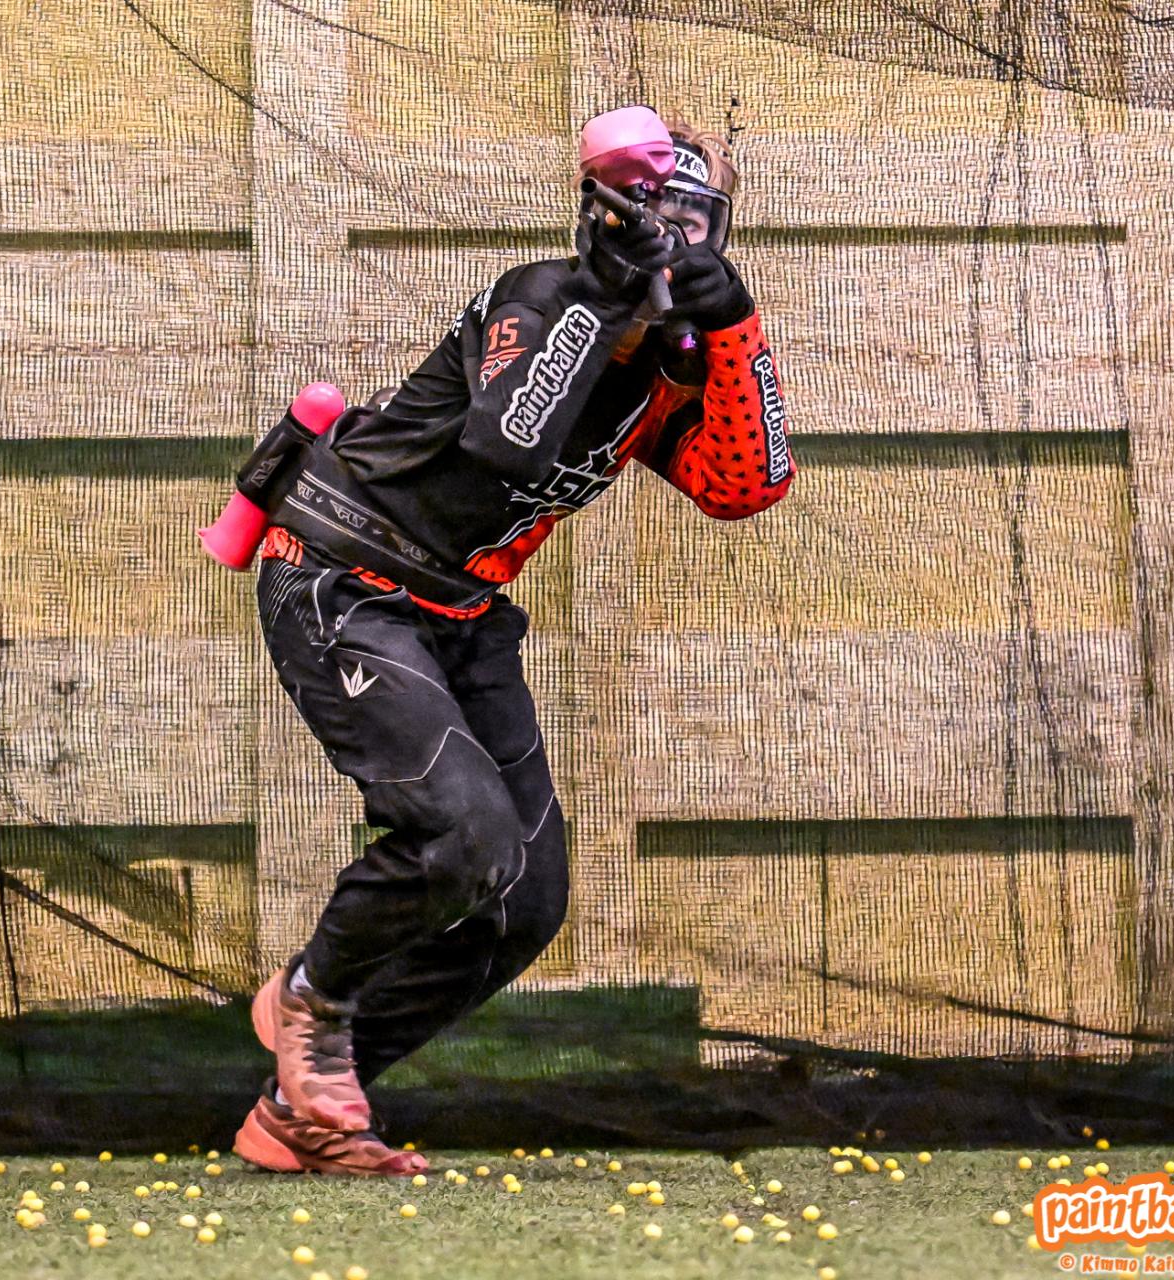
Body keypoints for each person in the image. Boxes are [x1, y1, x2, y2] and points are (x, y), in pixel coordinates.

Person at [233, 106, 796, 1175]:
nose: (673, 237)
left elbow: (743, 485)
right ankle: (310, 998)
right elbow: (508, 440)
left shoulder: (669, 366)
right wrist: (601, 298)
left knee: (522, 898)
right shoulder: (539, 297)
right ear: (604, 213)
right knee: (465, 836)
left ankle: (304, 1106)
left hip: (463, 611)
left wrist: (733, 327)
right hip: (343, 575)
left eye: (696, 220)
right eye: (653, 212)